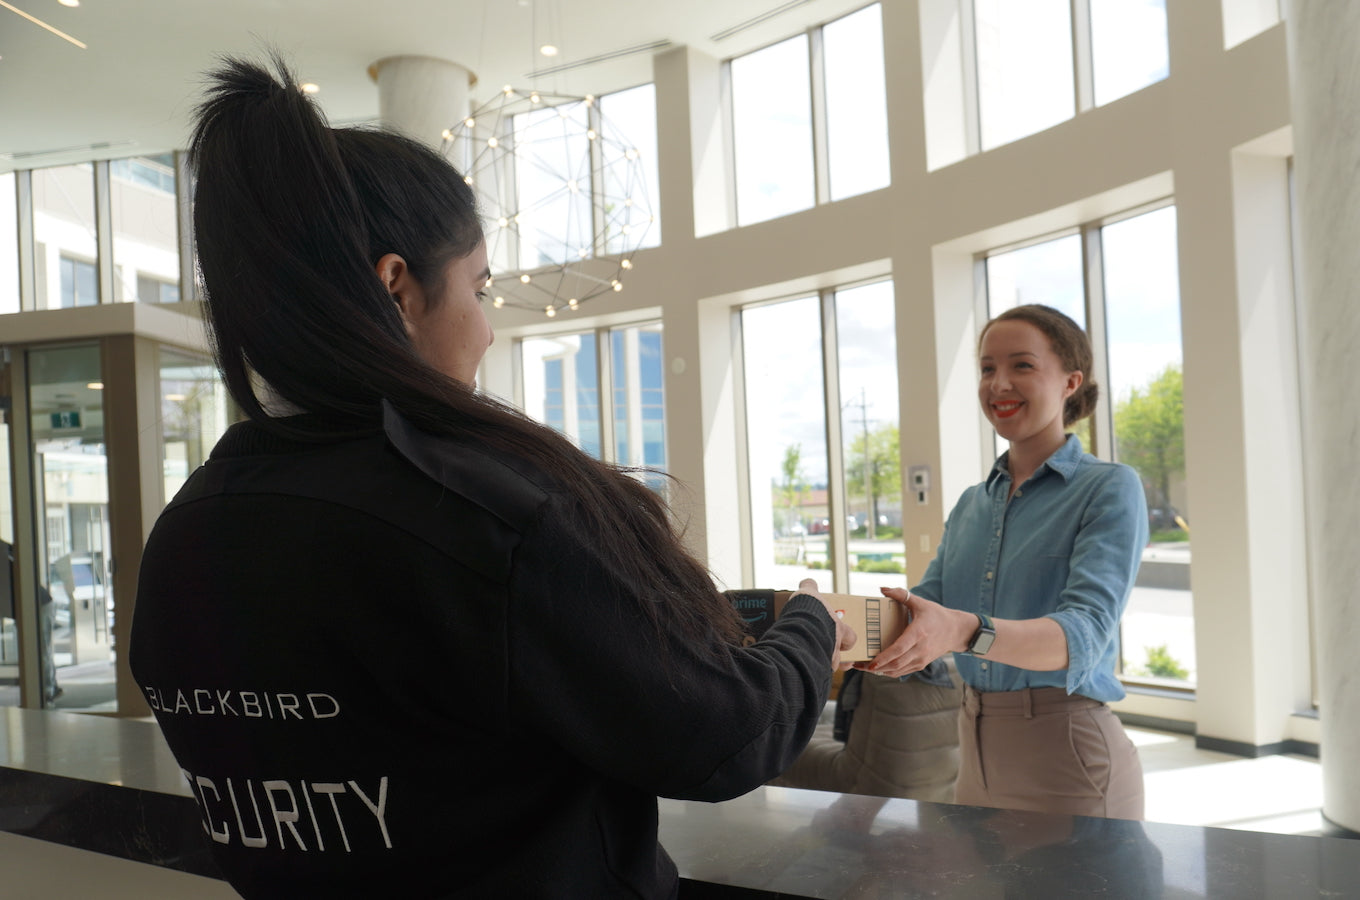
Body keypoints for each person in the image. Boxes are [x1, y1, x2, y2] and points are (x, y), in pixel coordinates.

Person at [128, 55, 852, 899]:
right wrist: (809, 628)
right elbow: (723, 735)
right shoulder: (481, 519)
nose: (487, 332)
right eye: (478, 287)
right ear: (397, 288)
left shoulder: (186, 529)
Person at [860, 304, 1148, 819]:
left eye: (1022, 365)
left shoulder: (1108, 487)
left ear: (1070, 382)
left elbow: (1083, 634)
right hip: (971, 753)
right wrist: (833, 627)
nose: (999, 384)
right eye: (987, 368)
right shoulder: (973, 501)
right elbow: (927, 611)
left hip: (1069, 757)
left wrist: (967, 633)